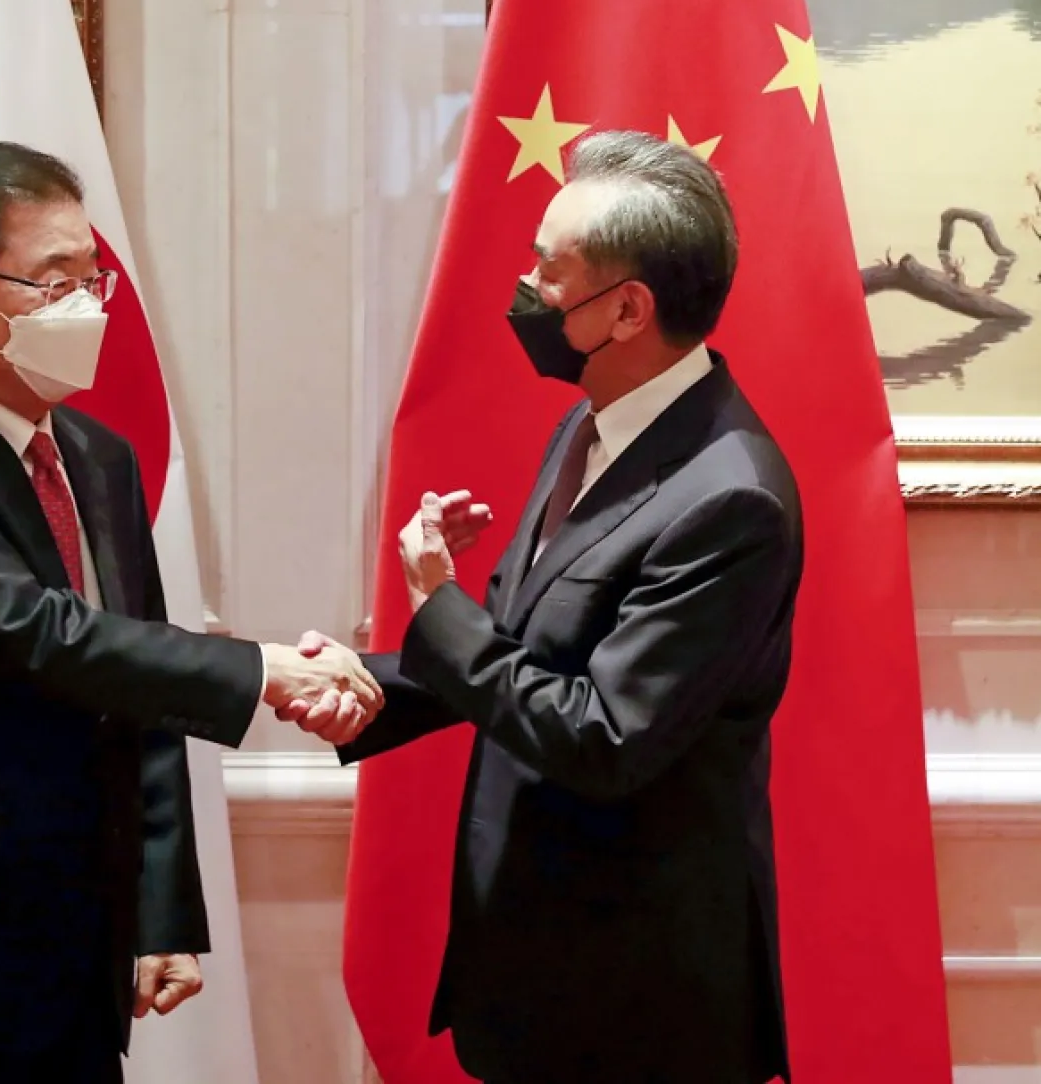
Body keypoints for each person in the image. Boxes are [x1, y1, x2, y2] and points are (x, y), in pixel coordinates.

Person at [0, 142, 380, 1084]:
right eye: (52, 281)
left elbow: (130, 686)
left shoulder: (97, 456)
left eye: (92, 279)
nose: (86, 307)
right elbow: (44, 637)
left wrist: (159, 912)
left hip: (72, 953)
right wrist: (267, 670)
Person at [296, 130, 803, 1084]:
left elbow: (602, 736)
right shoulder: (594, 421)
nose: (526, 285)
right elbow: (530, 655)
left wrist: (434, 601)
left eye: (548, 267)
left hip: (636, 1003)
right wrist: (358, 687)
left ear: (626, 309)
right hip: (537, 972)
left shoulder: (731, 498)